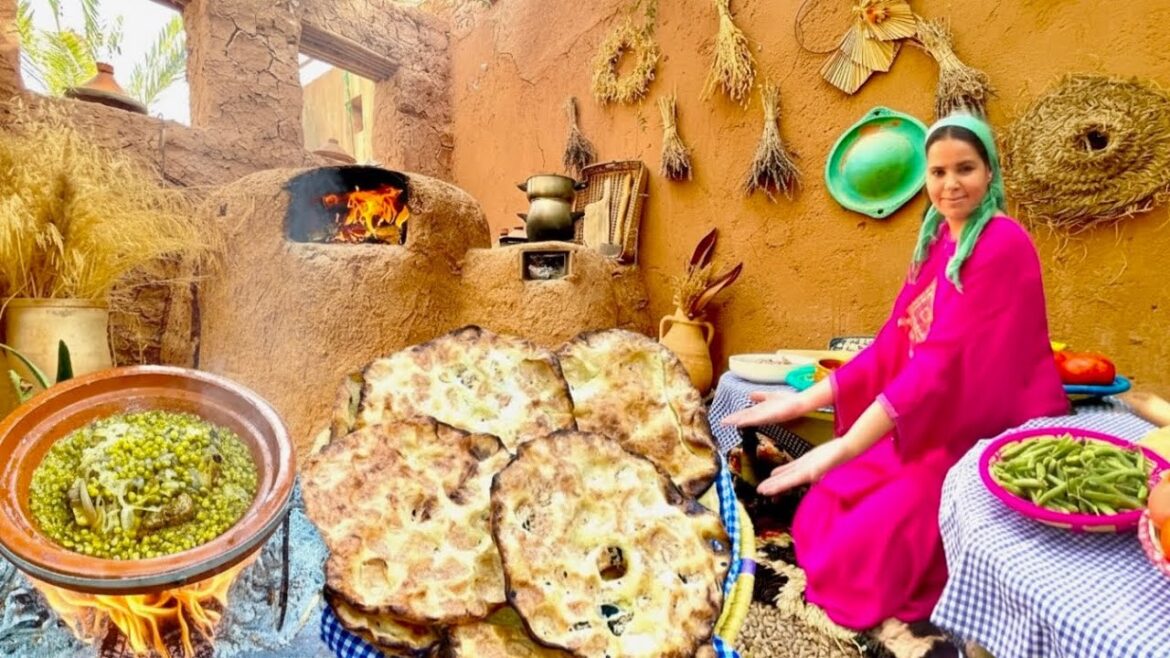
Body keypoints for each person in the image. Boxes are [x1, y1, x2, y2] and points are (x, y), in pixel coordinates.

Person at [721, 112, 1068, 630]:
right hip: (932, 419)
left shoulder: (1001, 243)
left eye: (965, 169)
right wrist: (804, 400)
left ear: (990, 173)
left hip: (982, 429)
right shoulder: (937, 243)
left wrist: (844, 446)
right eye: (938, 172)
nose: (950, 185)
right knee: (827, 503)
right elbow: (893, 343)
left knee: (868, 548)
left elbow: (939, 364)